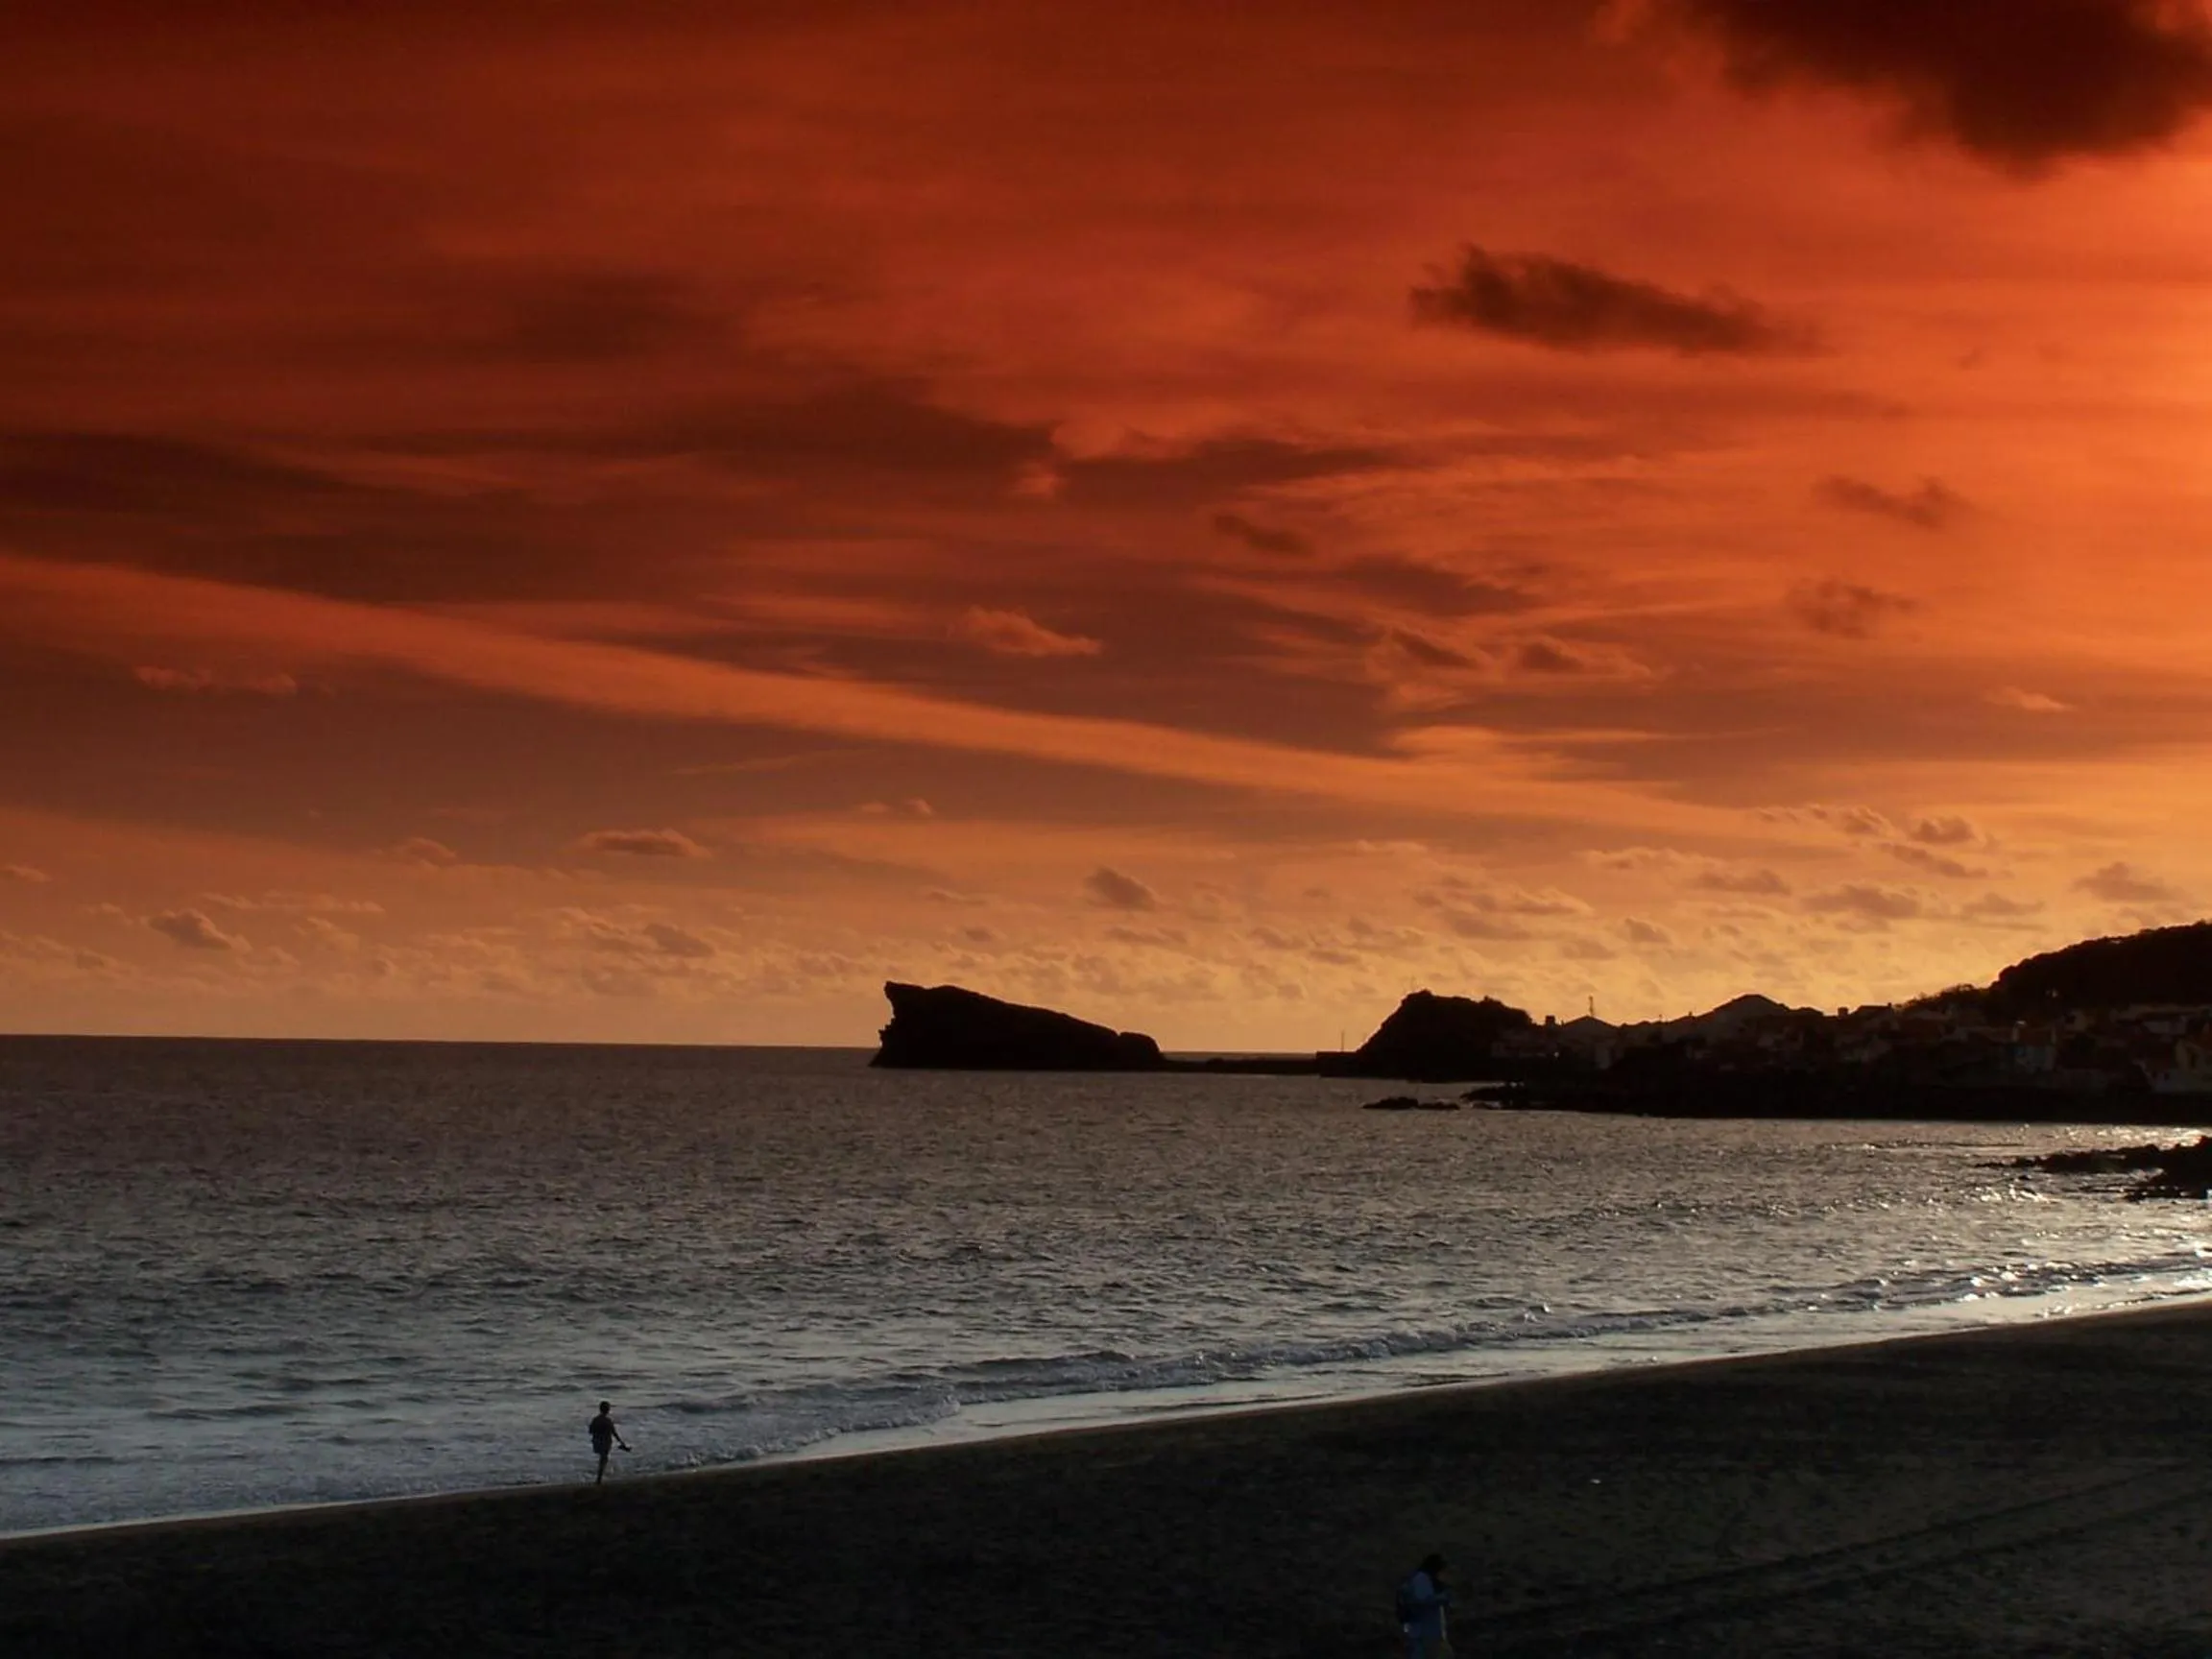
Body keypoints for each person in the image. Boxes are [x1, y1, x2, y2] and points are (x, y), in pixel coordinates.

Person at [1397, 1551, 1451, 1658]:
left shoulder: (1424, 1579)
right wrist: (1442, 1598)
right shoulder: (1421, 1579)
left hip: (1424, 1632)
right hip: (1422, 1633)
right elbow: (1422, 1600)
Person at [588, 1400, 630, 1483]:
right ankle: (599, 1479)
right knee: (604, 1459)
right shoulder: (608, 1421)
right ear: (608, 1410)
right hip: (605, 1442)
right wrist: (622, 1443)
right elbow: (614, 1433)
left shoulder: (595, 1419)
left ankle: (600, 1478)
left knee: (603, 1458)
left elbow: (590, 1431)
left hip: (596, 1442)